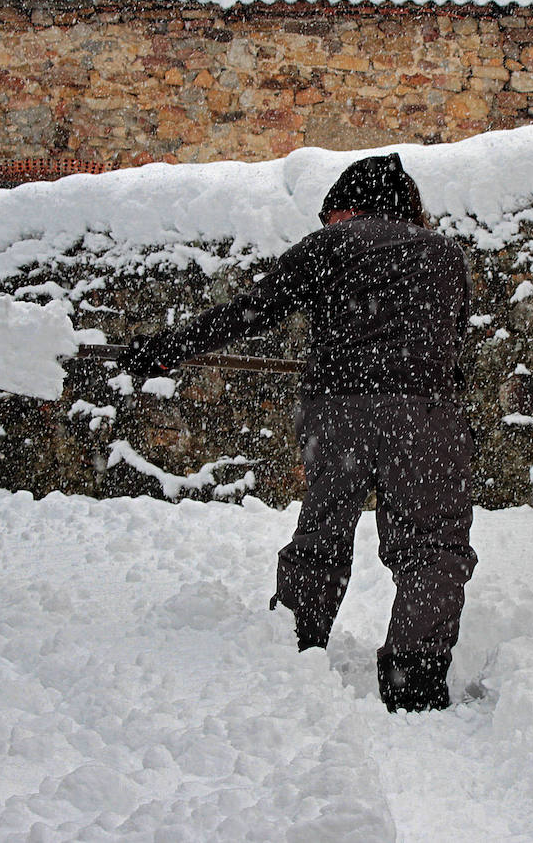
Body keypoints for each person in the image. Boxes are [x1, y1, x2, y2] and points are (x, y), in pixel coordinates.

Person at [121, 153, 476, 712]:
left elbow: (251, 311)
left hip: (340, 415)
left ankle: (293, 650)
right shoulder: (446, 255)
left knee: (323, 534)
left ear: (352, 206)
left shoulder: (329, 247)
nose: (331, 225)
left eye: (332, 213)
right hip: (427, 417)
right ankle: (416, 678)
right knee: (433, 550)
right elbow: (453, 342)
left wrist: (167, 349)